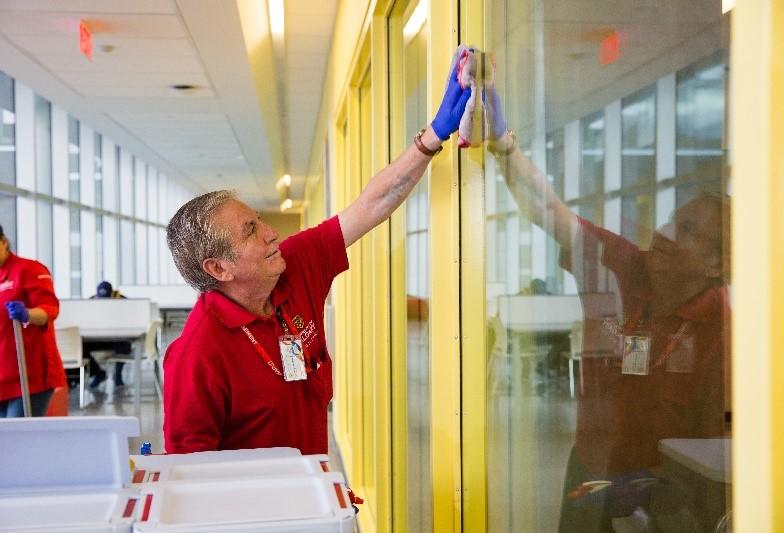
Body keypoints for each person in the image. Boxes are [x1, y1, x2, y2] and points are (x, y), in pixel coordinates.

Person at [162, 48, 472, 454]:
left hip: (314, 490)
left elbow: (371, 205)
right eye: (251, 231)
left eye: (260, 220)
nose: (272, 233)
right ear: (219, 267)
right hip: (257, 514)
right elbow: (188, 476)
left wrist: (432, 138)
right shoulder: (197, 356)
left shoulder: (294, 264)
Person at [484, 72, 730, 531]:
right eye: (675, 219)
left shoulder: (723, 326)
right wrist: (503, 145)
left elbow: (723, 447)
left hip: (665, 490)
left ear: (716, 264)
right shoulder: (622, 264)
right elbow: (546, 210)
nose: (665, 232)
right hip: (592, 469)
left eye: (691, 231)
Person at [0, 224, 66, 417]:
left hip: (29, 377)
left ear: (3, 242)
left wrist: (28, 314)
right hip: (2, 374)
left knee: (20, 440)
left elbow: (50, 309)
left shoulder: (28, 269)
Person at [83, 281, 129, 388]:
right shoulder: (91, 301)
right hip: (97, 339)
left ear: (112, 294)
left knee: (124, 346)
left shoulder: (122, 300)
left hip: (117, 338)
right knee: (80, 348)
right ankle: (98, 373)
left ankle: (118, 375)